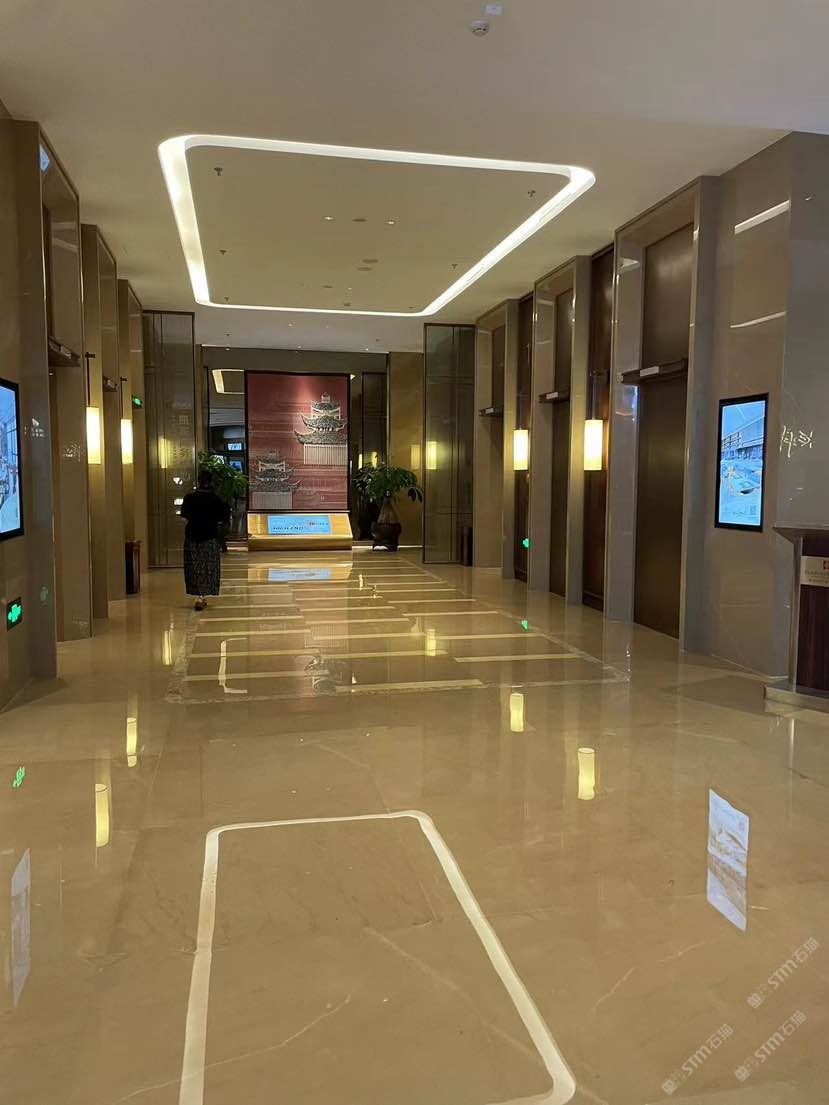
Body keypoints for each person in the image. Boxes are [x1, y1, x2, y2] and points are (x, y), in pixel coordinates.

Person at [179, 471, 230, 610]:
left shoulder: (189, 498)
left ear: (198, 481)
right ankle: (203, 595)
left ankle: (199, 595)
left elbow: (184, 517)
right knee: (208, 566)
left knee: (194, 566)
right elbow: (223, 519)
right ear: (211, 482)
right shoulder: (216, 500)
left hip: (192, 535)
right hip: (209, 536)